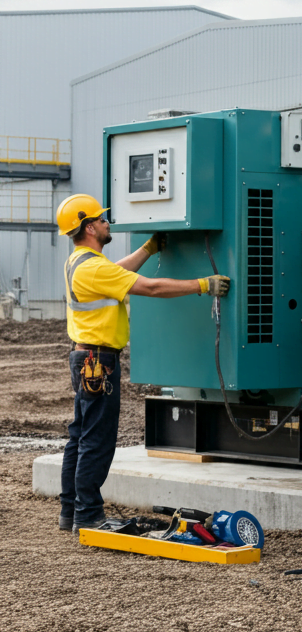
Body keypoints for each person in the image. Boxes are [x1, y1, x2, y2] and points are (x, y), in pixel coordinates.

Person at [56, 193, 230, 534]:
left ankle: (70, 510)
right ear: (90, 227)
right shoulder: (92, 267)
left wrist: (148, 249)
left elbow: (115, 273)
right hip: (99, 362)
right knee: (96, 440)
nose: (108, 224)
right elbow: (149, 287)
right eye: (103, 220)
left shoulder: (78, 262)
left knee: (79, 436)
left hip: (85, 358)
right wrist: (201, 285)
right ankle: (88, 514)